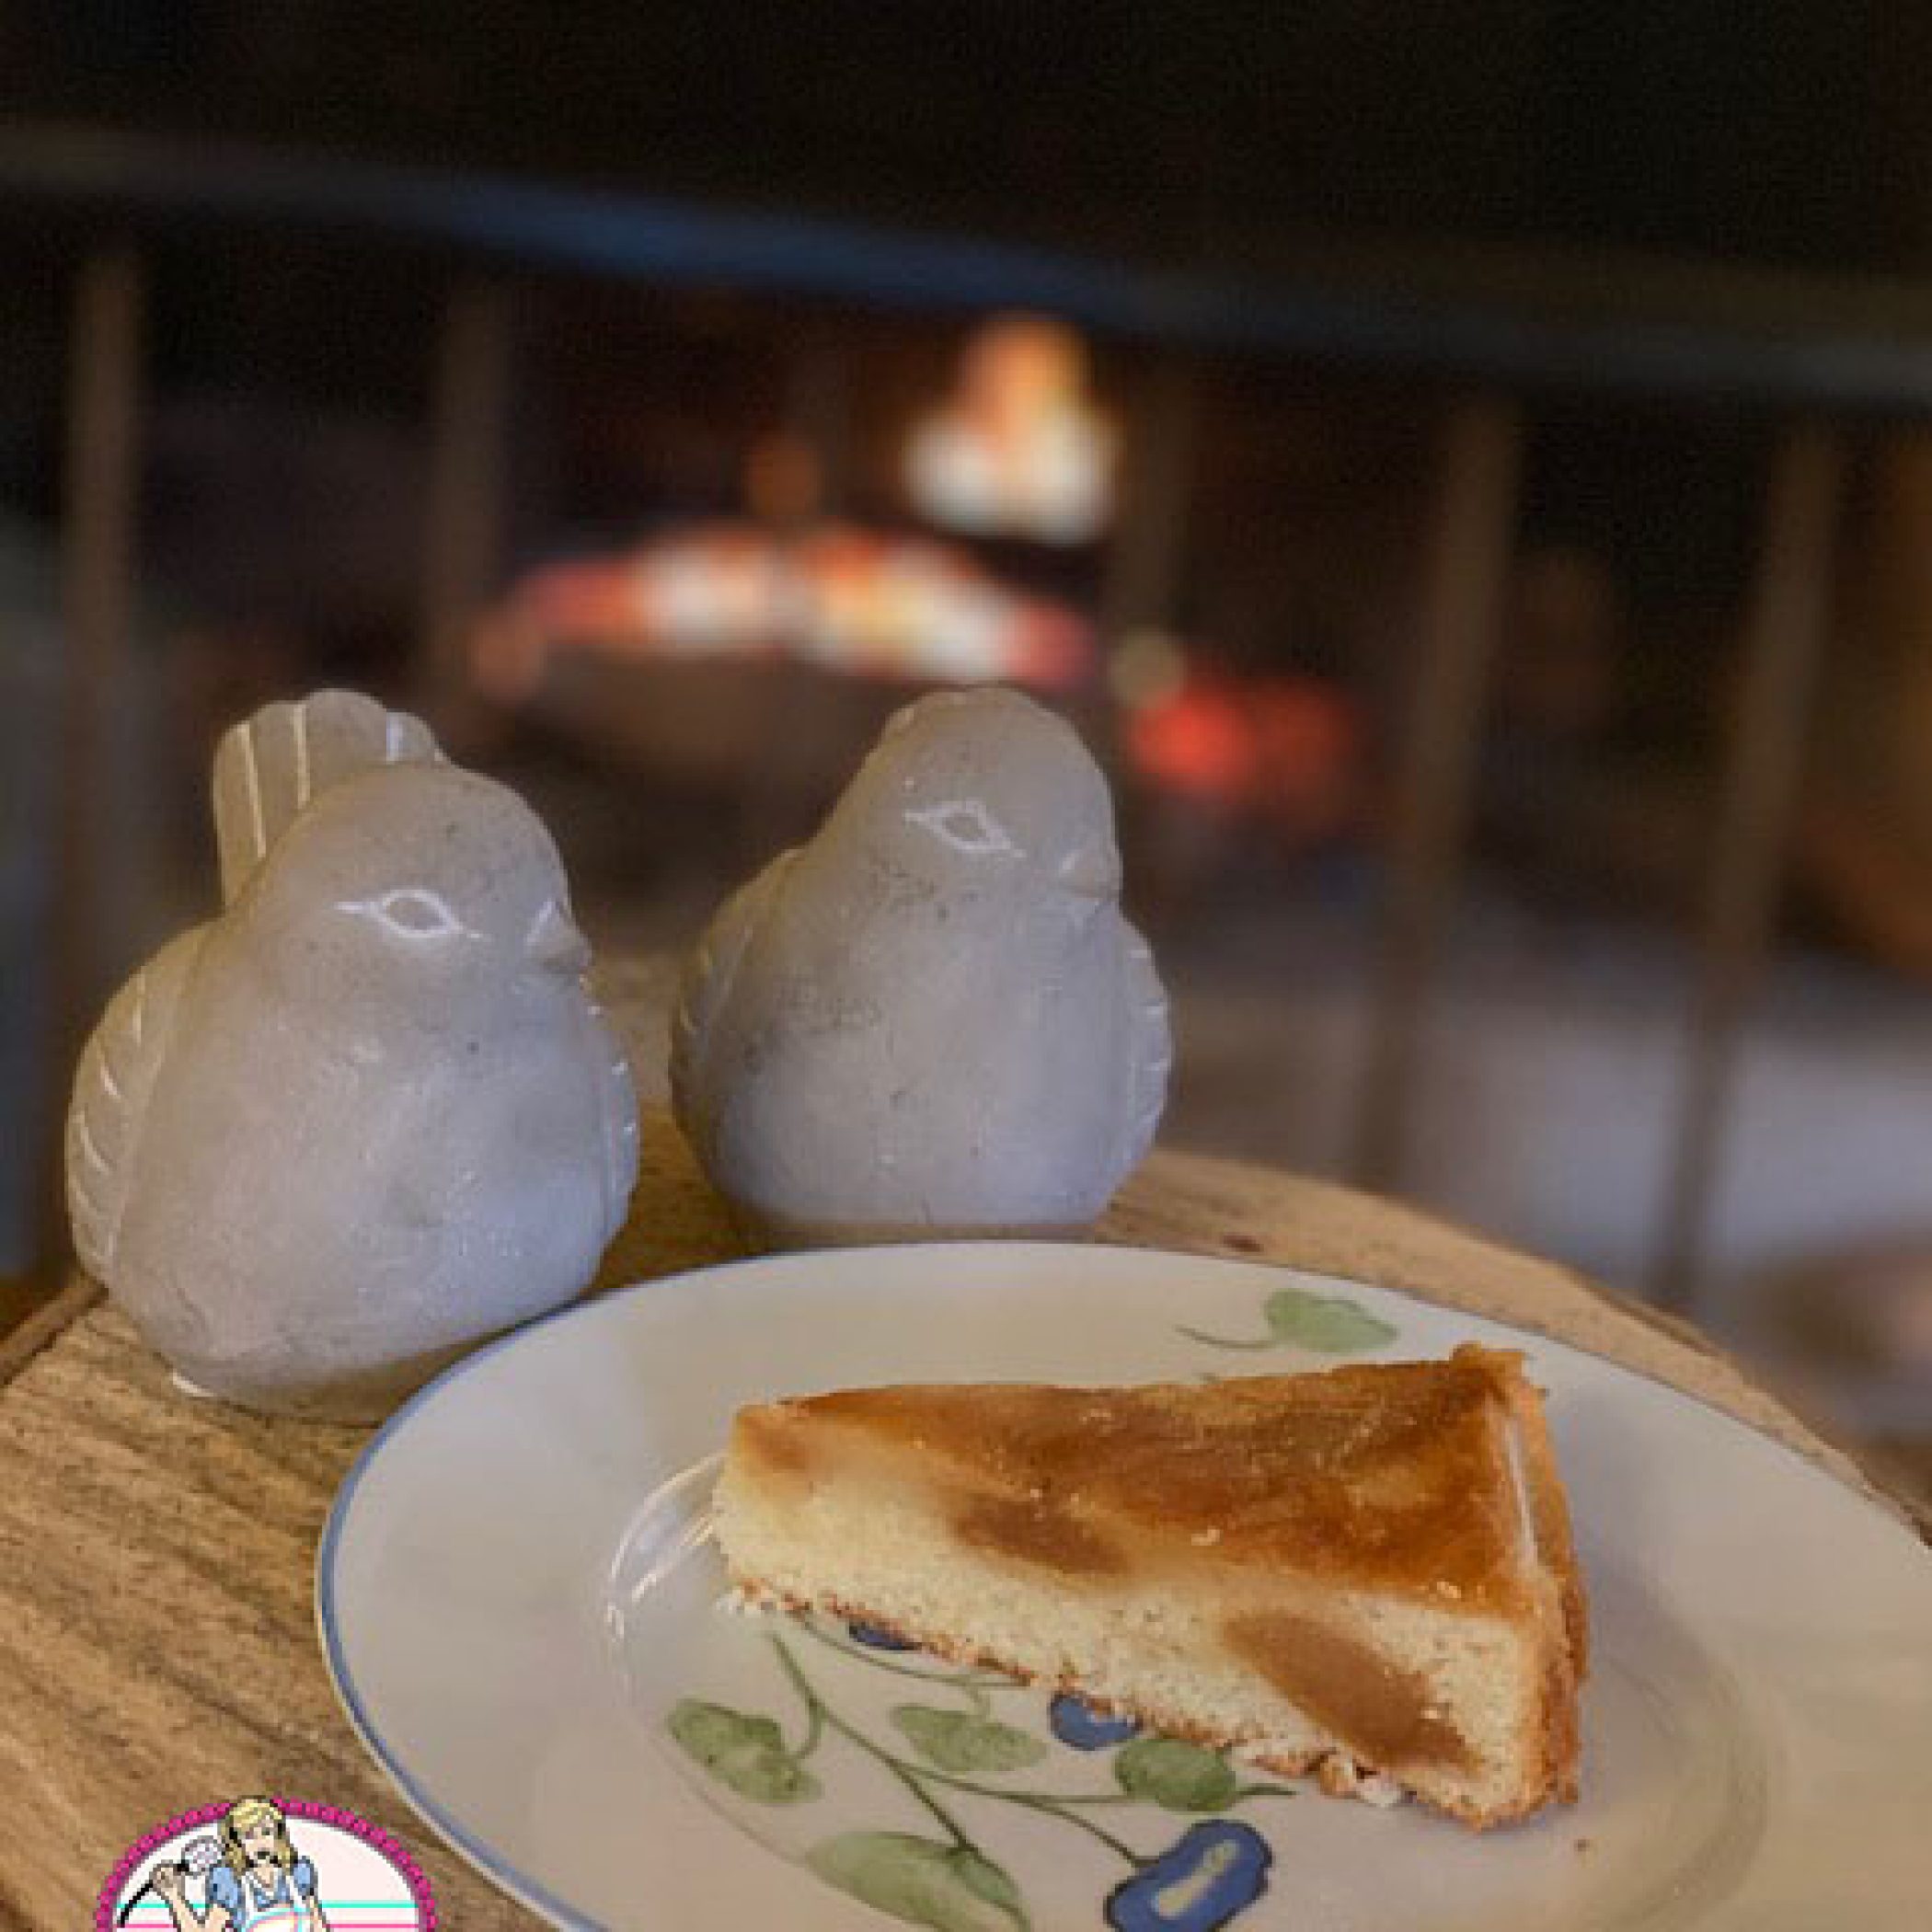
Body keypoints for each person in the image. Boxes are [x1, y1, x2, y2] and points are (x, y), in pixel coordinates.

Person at [151, 1796, 332, 1932]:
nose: (260, 1842)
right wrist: (174, 1896)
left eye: (266, 1832)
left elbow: (318, 1926)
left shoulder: (298, 1873)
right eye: (249, 1836)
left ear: (279, 1836)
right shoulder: (231, 1883)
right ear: (237, 1843)